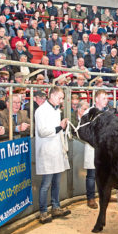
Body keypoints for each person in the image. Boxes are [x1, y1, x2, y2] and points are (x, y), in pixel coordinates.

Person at [35, 86, 71, 223]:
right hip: (46, 151)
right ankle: (43, 211)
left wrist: (62, 128)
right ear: (52, 95)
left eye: (62, 98)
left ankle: (56, 207)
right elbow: (42, 132)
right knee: (46, 184)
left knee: (56, 182)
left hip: (56, 151)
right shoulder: (41, 111)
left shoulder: (56, 111)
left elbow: (57, 131)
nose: (61, 101)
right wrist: (59, 127)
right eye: (60, 98)